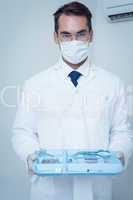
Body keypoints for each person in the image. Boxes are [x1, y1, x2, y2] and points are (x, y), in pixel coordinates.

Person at [12, 1, 133, 200]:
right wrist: (31, 156)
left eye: (81, 34)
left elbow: (122, 131)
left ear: (91, 35)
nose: (74, 41)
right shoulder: (35, 84)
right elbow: (22, 132)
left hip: (97, 189)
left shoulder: (113, 83)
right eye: (66, 35)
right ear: (55, 37)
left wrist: (119, 153)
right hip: (50, 190)